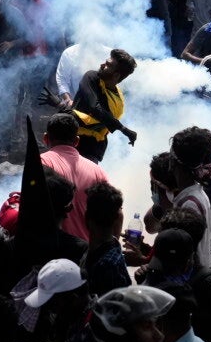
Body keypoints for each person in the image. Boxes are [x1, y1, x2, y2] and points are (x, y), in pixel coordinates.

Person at [40, 112, 110, 243]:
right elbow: (115, 215)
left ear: (45, 138)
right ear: (77, 141)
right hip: (86, 255)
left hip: (50, 252)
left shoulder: (41, 162)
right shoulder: (98, 172)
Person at [73, 49, 139, 162]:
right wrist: (124, 129)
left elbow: (101, 114)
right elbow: (94, 107)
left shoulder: (118, 98)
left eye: (108, 65)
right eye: (105, 62)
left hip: (94, 147)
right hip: (73, 138)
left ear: (116, 75)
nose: (102, 65)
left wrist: (122, 129)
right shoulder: (91, 77)